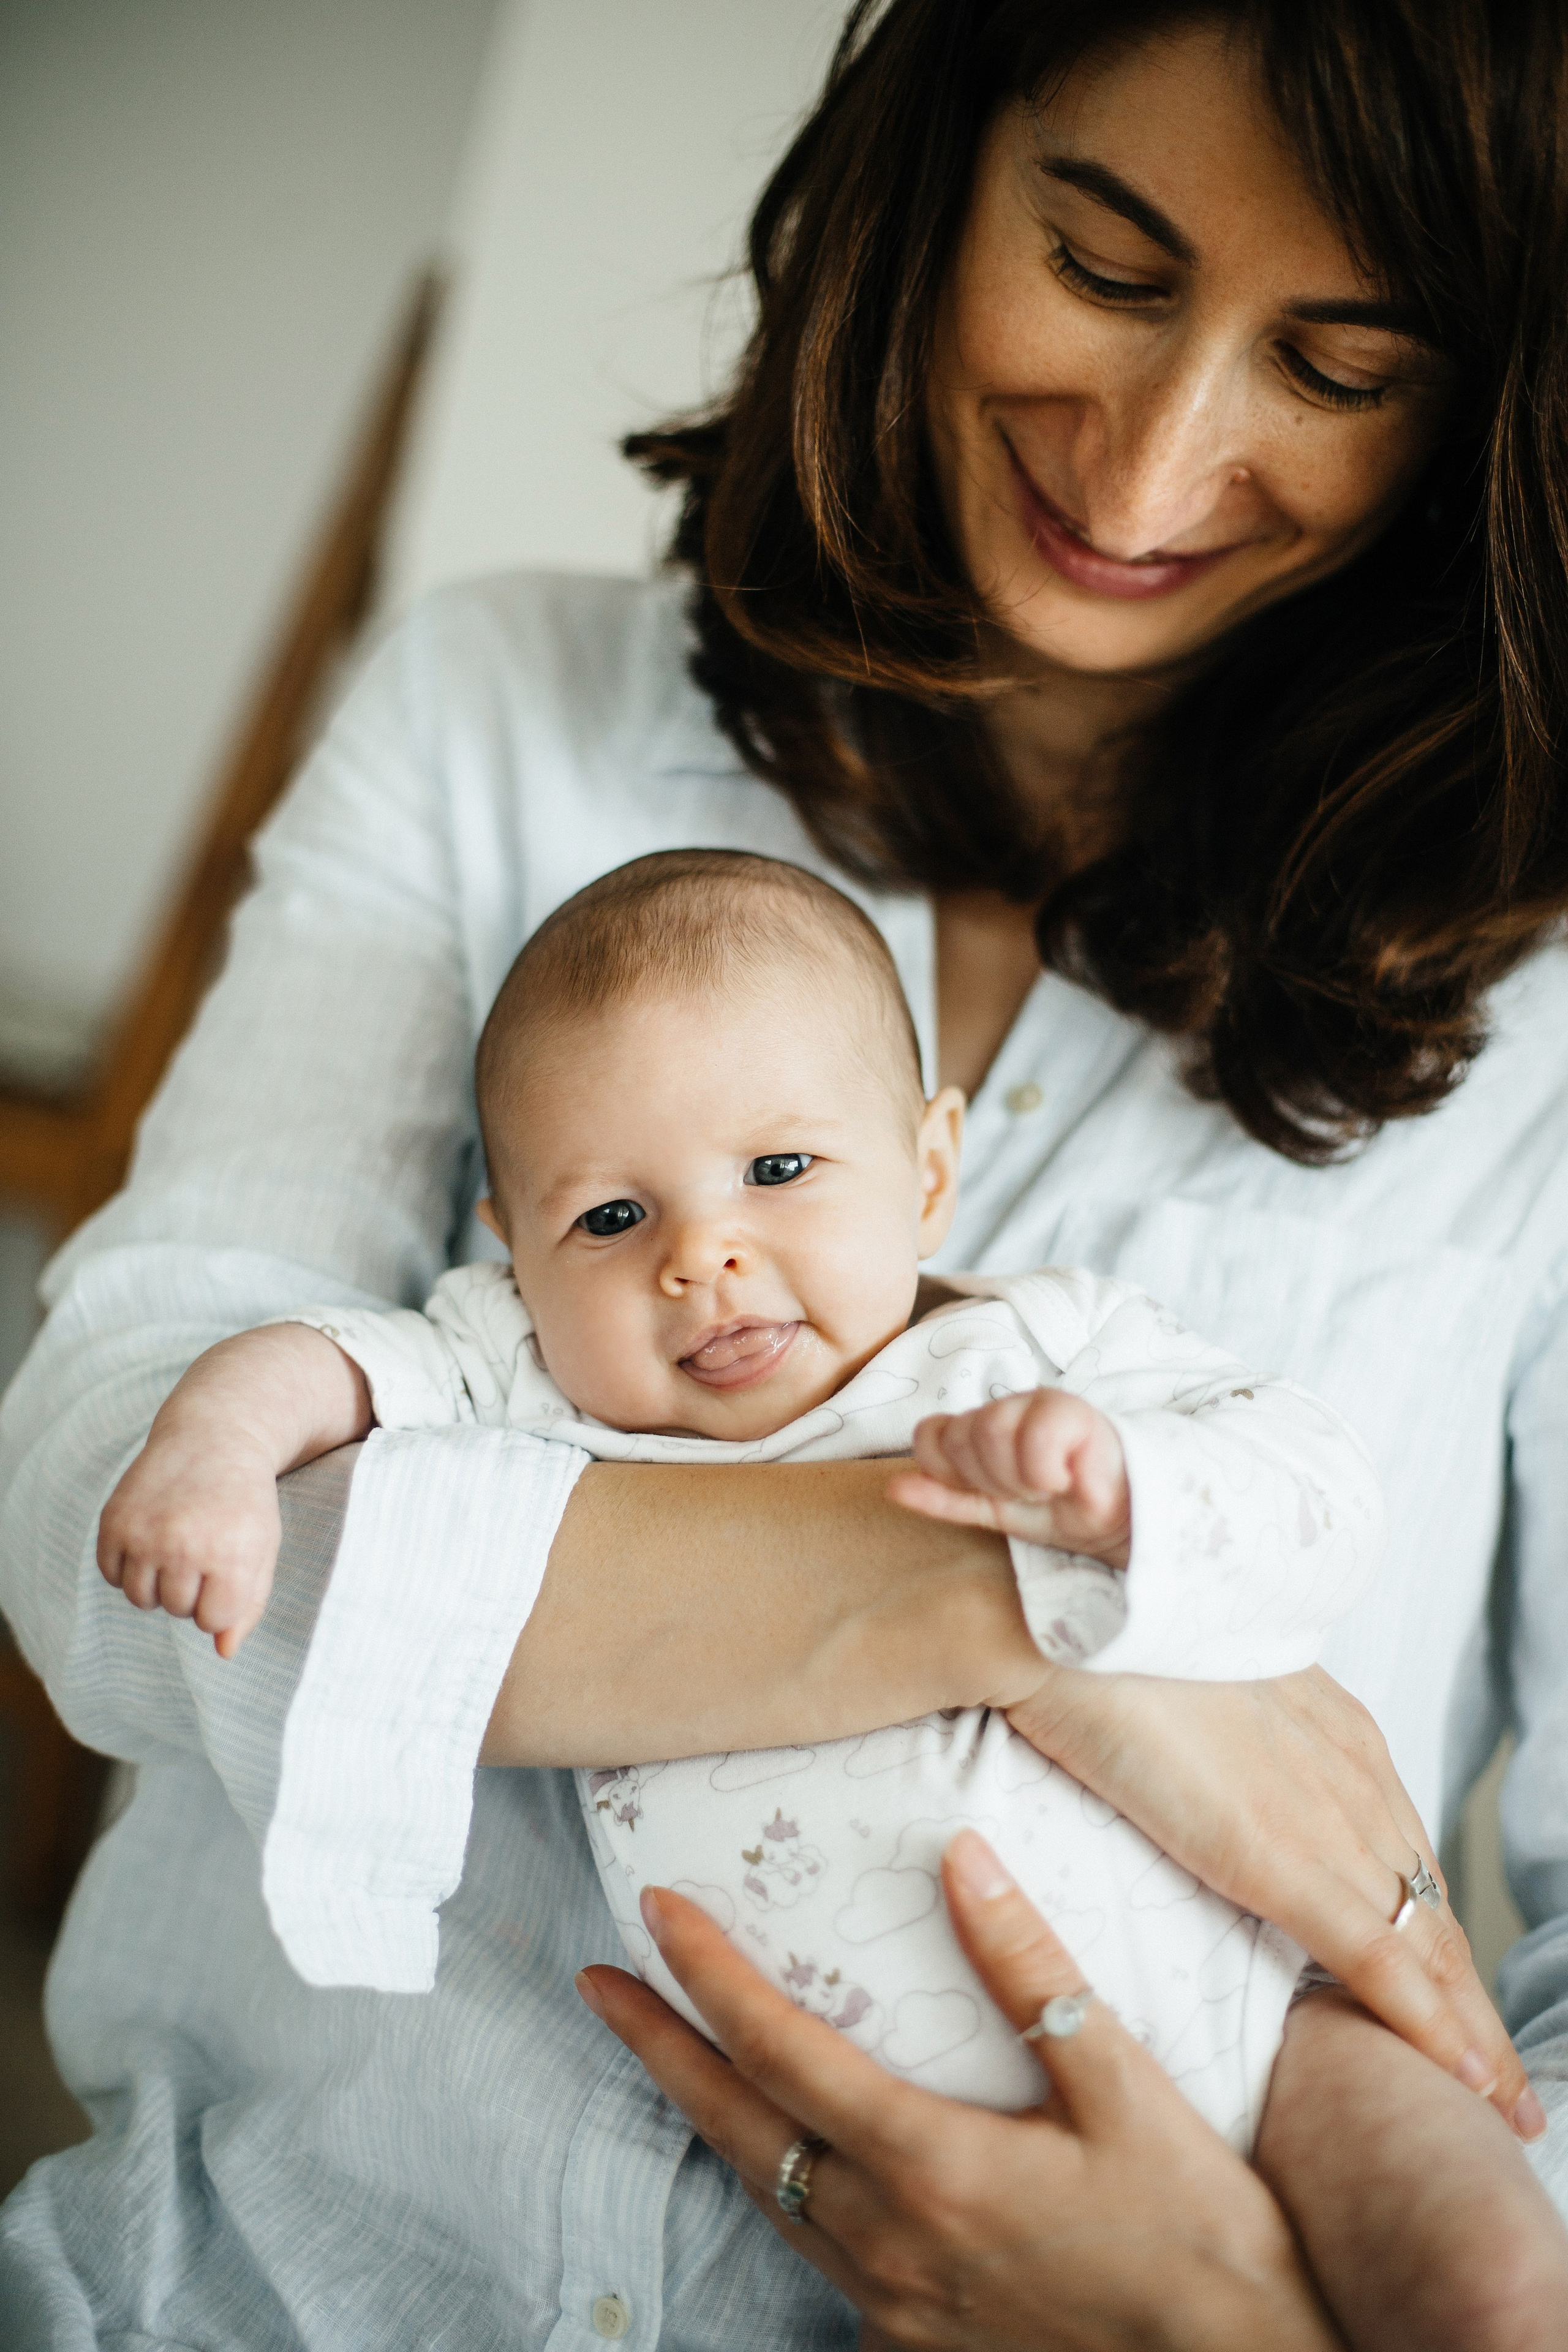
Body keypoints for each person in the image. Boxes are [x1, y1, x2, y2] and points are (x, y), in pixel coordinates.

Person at [5, 0, 1568, 2344]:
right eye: (1109, 267)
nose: (1150, 469)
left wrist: (1233, 2326)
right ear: (937, 175)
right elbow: (115, 1536)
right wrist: (1018, 1632)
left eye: (1336, 368)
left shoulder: (1541, 1024)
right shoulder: (494, 717)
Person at [95, 848, 1384, 2167]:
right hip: (874, 2157)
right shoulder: (526, 1371)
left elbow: (1315, 1480)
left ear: (928, 1172)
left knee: (1471, 2268)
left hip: (1254, 2024)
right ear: (517, 1259)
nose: (698, 1257)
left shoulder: (1042, 1353)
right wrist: (215, 1454)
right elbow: (327, 1360)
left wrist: (1126, 1494)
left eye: (775, 1171)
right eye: (608, 1216)